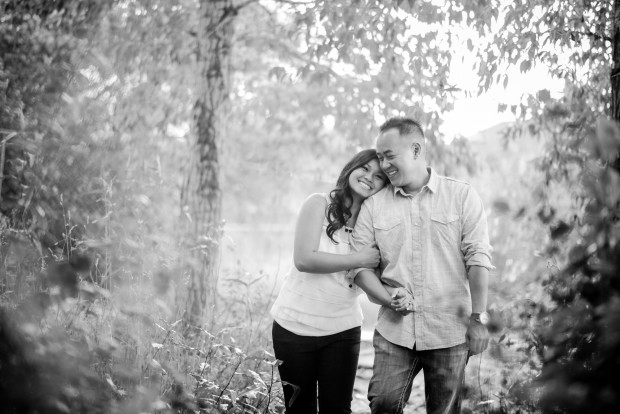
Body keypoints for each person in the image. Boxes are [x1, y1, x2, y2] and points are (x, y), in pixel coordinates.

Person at [349, 117, 494, 414]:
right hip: (395, 331)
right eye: (380, 157)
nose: (384, 165)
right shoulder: (374, 205)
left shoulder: (461, 196)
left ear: (416, 150)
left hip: (449, 331)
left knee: (444, 410)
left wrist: (478, 318)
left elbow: (478, 257)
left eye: (389, 156)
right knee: (383, 403)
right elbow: (360, 268)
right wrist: (389, 299)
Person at [270, 149, 414, 414]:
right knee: (299, 409)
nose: (369, 177)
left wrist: (395, 295)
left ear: (384, 186)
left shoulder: (374, 226)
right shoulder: (318, 204)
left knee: (337, 410)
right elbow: (304, 259)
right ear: (351, 168)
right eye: (365, 168)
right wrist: (357, 258)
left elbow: (371, 286)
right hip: (293, 327)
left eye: (379, 176)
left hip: (342, 331)